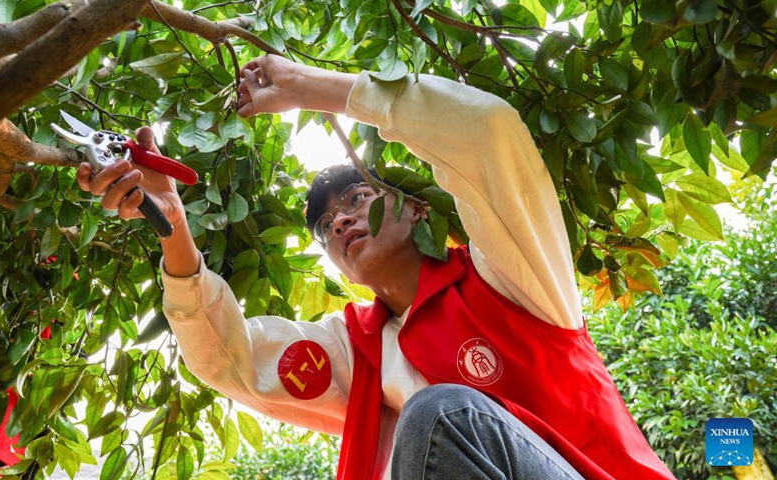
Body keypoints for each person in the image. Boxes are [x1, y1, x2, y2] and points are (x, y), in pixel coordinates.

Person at [77, 54, 676, 480]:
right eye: (324, 223)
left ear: (416, 210)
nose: (337, 221)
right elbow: (229, 360)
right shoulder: (356, 351)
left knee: (443, 416)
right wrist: (172, 222)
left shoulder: (508, 277)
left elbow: (487, 133)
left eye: (356, 198)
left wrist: (310, 88)